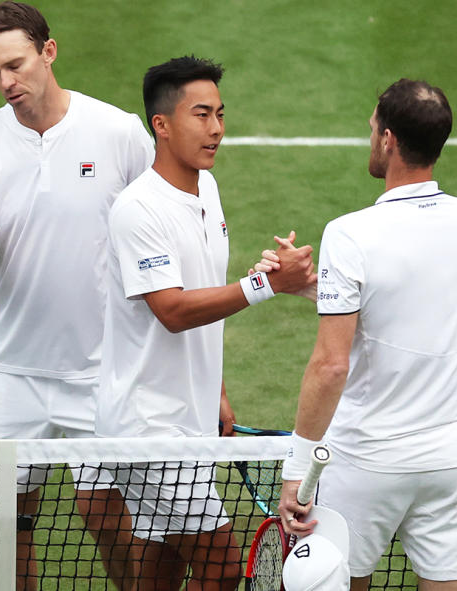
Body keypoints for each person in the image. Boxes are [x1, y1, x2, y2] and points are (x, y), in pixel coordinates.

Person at [0, 3, 154, 590]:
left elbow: (159, 232)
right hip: (11, 372)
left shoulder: (118, 133)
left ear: (49, 51)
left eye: (15, 65)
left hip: (101, 373)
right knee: (8, 520)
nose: (6, 82)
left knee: (104, 513)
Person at [97, 55, 317, 591]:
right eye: (201, 114)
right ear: (162, 125)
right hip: (149, 429)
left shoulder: (206, 189)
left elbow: (200, 297)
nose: (216, 128)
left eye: (220, 113)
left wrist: (214, 389)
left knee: (165, 564)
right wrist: (266, 285)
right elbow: (171, 310)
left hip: (188, 420)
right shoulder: (138, 209)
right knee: (220, 567)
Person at [277, 79, 457, 591]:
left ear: (388, 140)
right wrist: (317, 288)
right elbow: (414, 300)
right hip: (454, 461)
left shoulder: (351, 234)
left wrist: (297, 468)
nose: (369, 134)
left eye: (373, 126)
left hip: (365, 465)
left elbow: (331, 366)